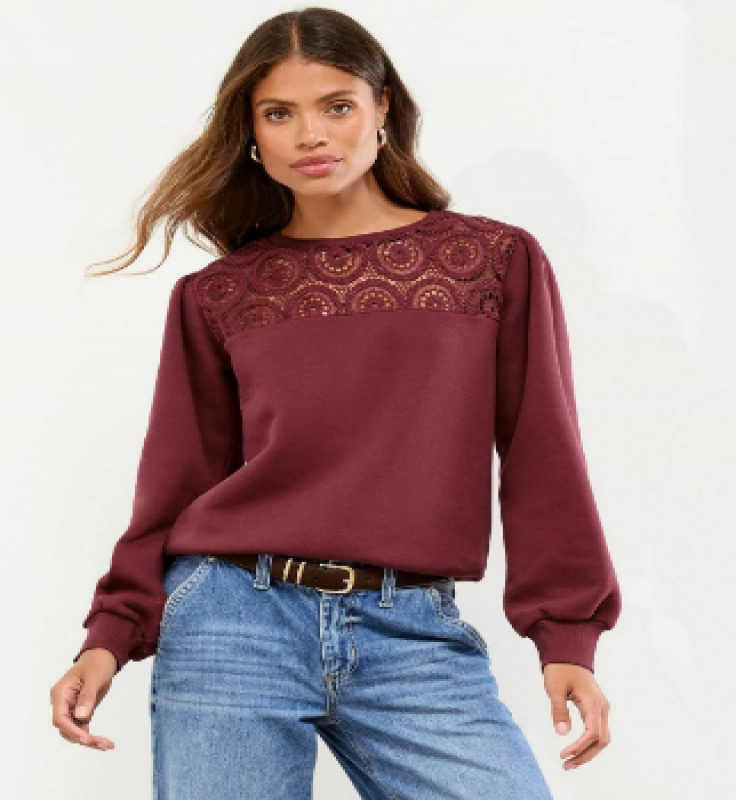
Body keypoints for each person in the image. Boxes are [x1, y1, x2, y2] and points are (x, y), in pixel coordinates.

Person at [50, 7, 621, 798]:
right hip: (231, 623)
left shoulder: (490, 262)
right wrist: (108, 636)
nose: (310, 135)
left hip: (412, 631)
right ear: (251, 133)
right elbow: (173, 485)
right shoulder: (219, 294)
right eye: (279, 113)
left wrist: (566, 635)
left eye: (337, 106)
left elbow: (542, 452)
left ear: (383, 107)